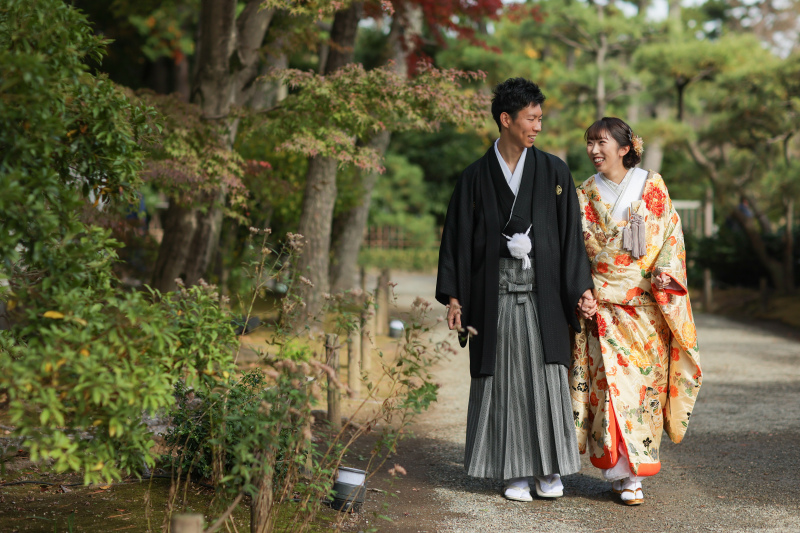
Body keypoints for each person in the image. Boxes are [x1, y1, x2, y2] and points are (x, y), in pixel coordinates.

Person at [435, 78, 597, 502]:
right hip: (496, 296)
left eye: (540, 118)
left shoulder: (554, 171)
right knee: (504, 381)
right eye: (531, 118)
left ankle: (549, 471)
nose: (538, 126)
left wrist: (580, 288)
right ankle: (513, 472)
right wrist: (455, 297)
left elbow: (570, 239)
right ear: (506, 120)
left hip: (544, 295)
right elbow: (456, 239)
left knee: (546, 378)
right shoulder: (474, 177)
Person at [570, 117, 703, 505]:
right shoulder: (582, 194)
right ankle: (618, 469)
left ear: (625, 148)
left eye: (602, 142)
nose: (594, 150)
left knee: (641, 390)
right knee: (608, 390)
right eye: (590, 143)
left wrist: (665, 273)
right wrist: (581, 289)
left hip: (644, 309)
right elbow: (572, 251)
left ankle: (632, 475)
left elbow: (670, 236)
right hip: (601, 307)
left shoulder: (652, 186)